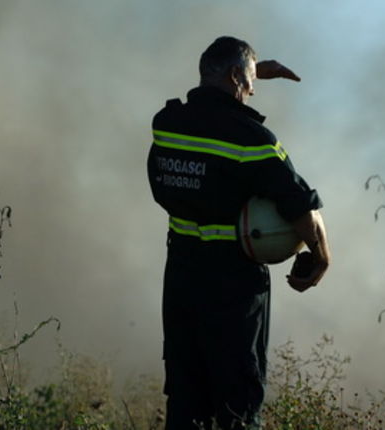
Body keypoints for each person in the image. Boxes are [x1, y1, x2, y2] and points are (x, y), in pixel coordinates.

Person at [147, 36, 331, 430]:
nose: (251, 92)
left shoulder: (167, 126)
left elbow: (209, 96)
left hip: (181, 283)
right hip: (233, 293)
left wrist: (251, 70)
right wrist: (321, 256)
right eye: (248, 82)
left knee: (187, 401)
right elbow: (302, 207)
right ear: (234, 76)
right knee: (238, 406)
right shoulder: (252, 142)